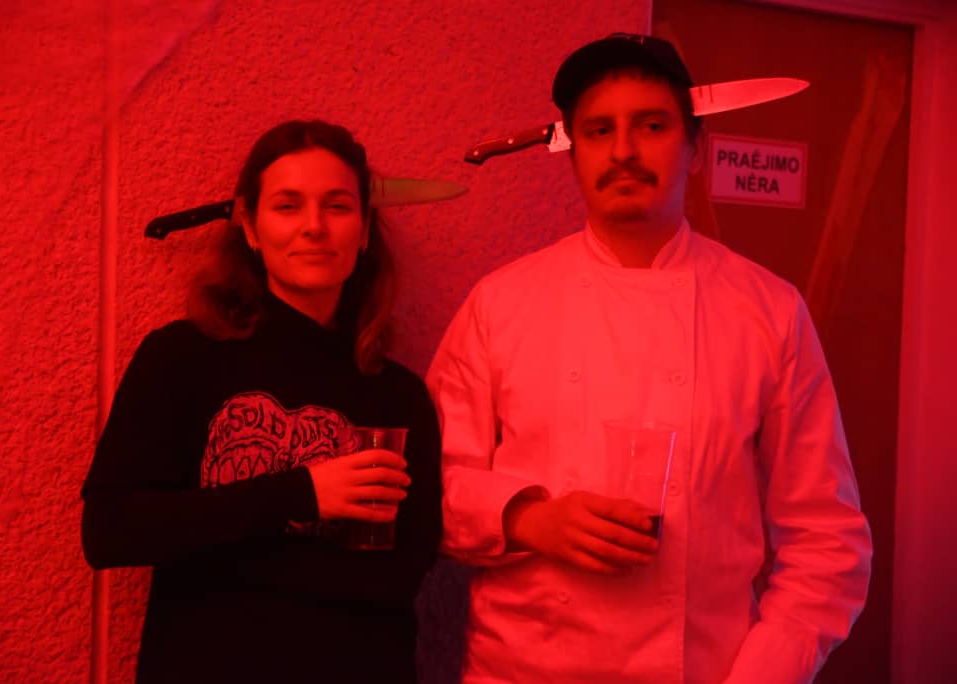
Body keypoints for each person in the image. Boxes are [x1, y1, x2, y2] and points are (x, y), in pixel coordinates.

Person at [426, 33, 872, 683]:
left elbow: (826, 541)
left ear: (695, 150)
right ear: (574, 154)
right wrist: (530, 518)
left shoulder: (769, 312)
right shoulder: (500, 305)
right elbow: (430, 487)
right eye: (600, 130)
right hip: (521, 669)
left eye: (652, 125)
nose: (625, 151)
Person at [81, 119, 442, 683]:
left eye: (338, 207)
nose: (314, 228)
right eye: (288, 206)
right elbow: (111, 531)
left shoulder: (397, 394)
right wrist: (303, 494)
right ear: (249, 227)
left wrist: (214, 550)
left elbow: (402, 577)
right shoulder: (181, 357)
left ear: (365, 231)